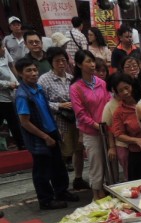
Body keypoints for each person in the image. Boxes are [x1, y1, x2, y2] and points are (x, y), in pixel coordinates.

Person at [15, 57, 78, 210]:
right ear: (20, 74)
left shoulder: (38, 89)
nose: (33, 73)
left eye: (35, 70)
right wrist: (45, 137)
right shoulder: (22, 95)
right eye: (28, 71)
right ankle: (46, 200)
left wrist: (53, 132)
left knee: (58, 165)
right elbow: (25, 122)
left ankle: (61, 192)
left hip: (51, 131)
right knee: (42, 170)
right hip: (39, 137)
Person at [39, 47, 89, 189]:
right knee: (62, 154)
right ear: (51, 62)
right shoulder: (44, 80)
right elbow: (42, 103)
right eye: (57, 61)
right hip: (59, 122)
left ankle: (78, 179)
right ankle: (61, 185)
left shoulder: (71, 77)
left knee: (79, 150)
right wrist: (59, 105)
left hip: (76, 120)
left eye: (63, 60)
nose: (61, 63)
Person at [70, 50, 111, 200]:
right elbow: (80, 113)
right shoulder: (76, 88)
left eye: (93, 61)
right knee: (96, 163)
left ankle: (109, 189)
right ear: (79, 64)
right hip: (91, 132)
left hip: (106, 130)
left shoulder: (102, 83)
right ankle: (96, 193)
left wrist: (106, 124)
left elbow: (108, 104)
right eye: (88, 61)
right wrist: (95, 125)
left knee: (109, 162)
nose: (92, 64)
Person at [111, 73, 141, 181]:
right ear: (117, 93)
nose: (125, 92)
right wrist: (135, 140)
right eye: (120, 90)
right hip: (137, 154)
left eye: (127, 88)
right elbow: (118, 134)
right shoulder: (119, 112)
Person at [0, 40, 23, 150]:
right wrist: (8, 84)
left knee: (15, 120)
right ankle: (20, 144)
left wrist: (18, 81)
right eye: (2, 48)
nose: (4, 49)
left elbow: (11, 67)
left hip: (13, 93)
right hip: (2, 98)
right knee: (12, 121)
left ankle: (21, 143)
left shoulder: (4, 54)